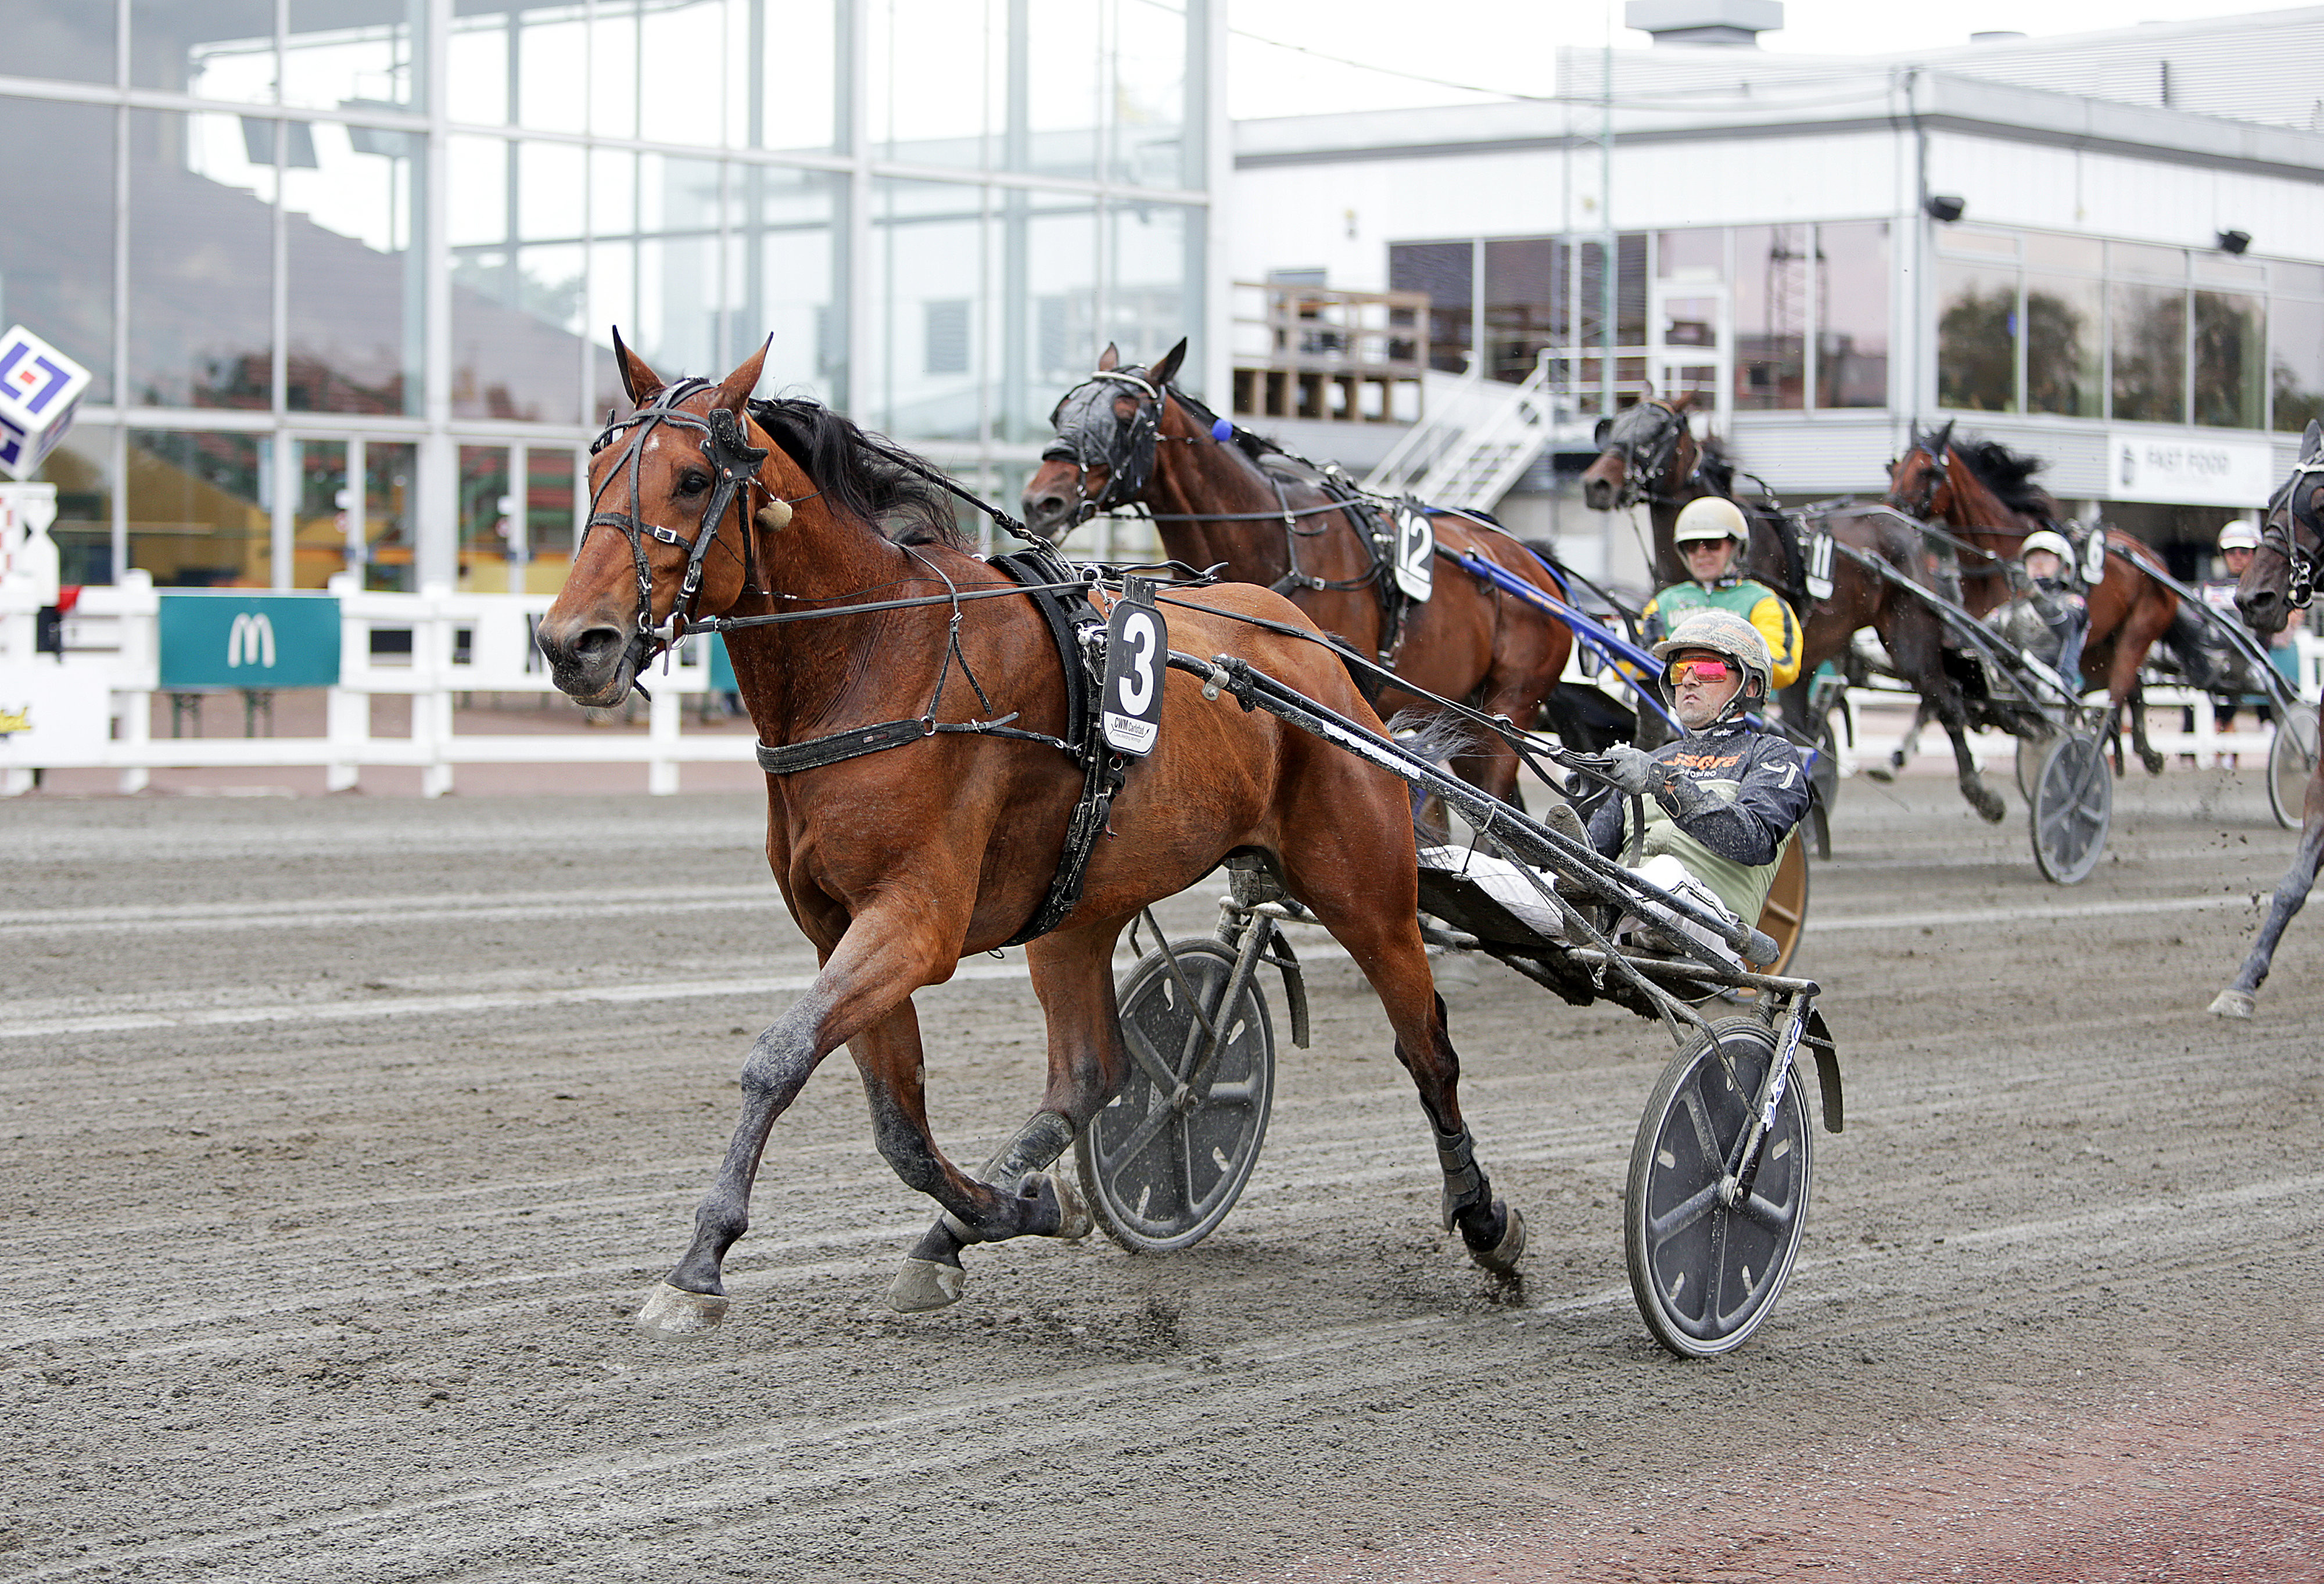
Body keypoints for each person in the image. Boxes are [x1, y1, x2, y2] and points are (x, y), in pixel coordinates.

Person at [1592, 609, 1812, 942]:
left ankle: (1600, 911)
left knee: (1667, 871)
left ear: (1750, 687)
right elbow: (1591, 852)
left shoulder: (1771, 754)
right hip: (1631, 911)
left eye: (1709, 670)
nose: (1689, 681)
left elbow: (1752, 840)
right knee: (1509, 875)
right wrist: (1588, 790)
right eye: (1681, 670)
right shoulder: (1655, 759)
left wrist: (1662, 783)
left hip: (1716, 925)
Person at [1638, 496, 1804, 698]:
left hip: (1738, 712)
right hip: (1674, 711)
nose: (1701, 553)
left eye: (1712, 544)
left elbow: (1784, 669)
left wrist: (1703, 668)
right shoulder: (1663, 603)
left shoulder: (1763, 602)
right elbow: (1629, 666)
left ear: (1735, 547)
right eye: (1691, 546)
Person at [2003, 528, 2089, 692]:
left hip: (2058, 691)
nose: (2038, 565)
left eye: (2046, 559)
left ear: (2065, 568)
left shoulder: (2073, 602)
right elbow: (1980, 634)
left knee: (2021, 668)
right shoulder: (2013, 607)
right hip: (2012, 686)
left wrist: (2033, 592)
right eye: (2032, 560)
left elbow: (2064, 625)